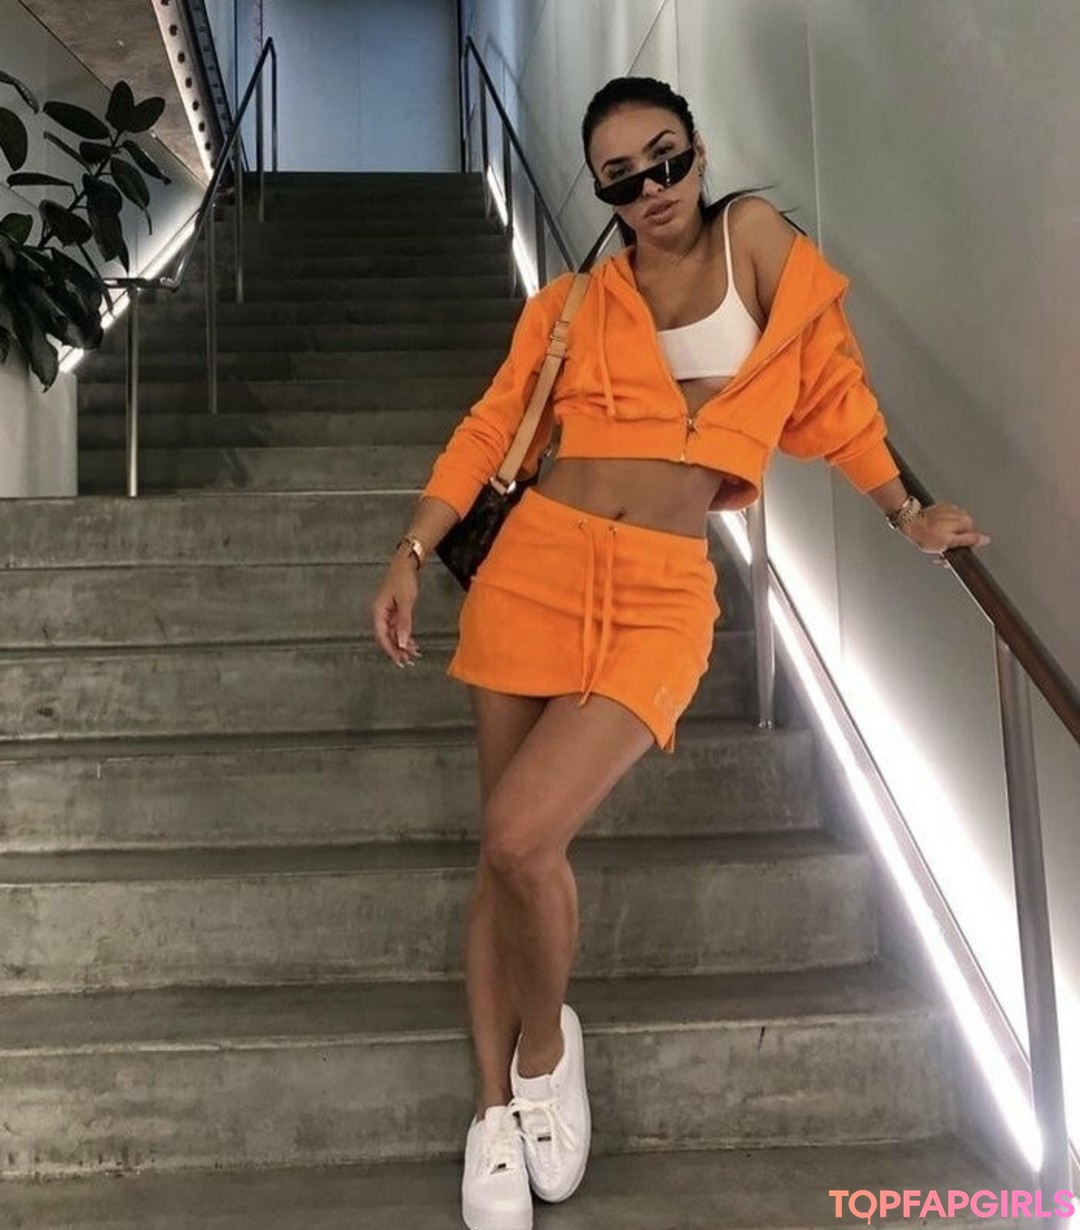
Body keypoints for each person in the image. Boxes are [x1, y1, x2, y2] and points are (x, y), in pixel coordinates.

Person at [371, 76, 990, 1230]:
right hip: (533, 569)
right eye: (621, 177)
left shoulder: (755, 241)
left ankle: (547, 1054)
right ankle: (493, 1111)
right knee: (503, 858)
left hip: (661, 595)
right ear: (601, 192)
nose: (651, 187)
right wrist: (412, 548)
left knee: (522, 835)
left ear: (698, 151)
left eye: (666, 159)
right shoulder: (575, 301)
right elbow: (492, 423)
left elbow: (835, 391)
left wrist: (905, 509)